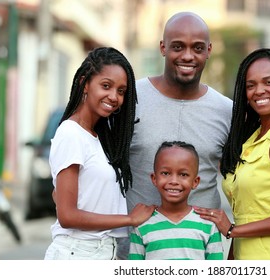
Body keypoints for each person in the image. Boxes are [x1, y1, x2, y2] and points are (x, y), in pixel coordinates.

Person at [117, 11, 233, 259]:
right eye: (178, 47)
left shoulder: (226, 111)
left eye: (198, 48)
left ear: (209, 50)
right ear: (163, 47)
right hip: (137, 246)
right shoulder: (129, 100)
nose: (188, 56)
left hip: (201, 250)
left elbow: (242, 180)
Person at [194, 48, 270, 260]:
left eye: (268, 82)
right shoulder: (252, 139)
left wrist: (232, 230)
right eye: (251, 85)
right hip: (246, 254)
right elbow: (245, 216)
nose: (259, 91)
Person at [44, 47, 156, 260]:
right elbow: (67, 216)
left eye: (121, 91)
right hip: (78, 253)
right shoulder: (71, 133)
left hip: (103, 252)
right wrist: (129, 219)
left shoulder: (99, 138)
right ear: (84, 83)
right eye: (106, 86)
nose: (114, 97)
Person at [129, 141, 224, 260]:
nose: (174, 181)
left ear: (195, 182)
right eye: (165, 173)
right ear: (154, 179)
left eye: (183, 175)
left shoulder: (208, 226)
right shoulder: (141, 226)